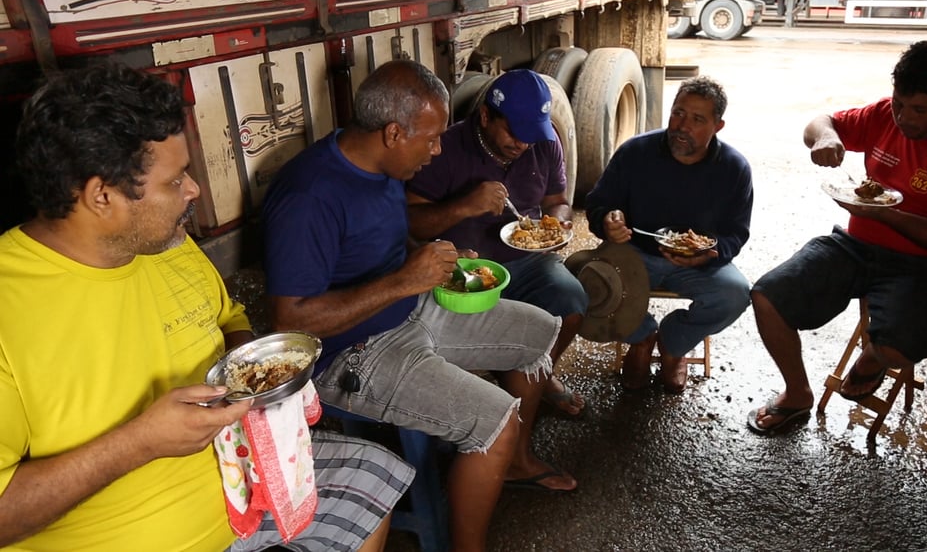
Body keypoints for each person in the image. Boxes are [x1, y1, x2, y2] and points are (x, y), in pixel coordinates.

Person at [0, 63, 415, 552]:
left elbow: (228, 321)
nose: (194, 189)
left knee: (373, 477)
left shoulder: (167, 247)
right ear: (102, 196)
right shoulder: (13, 305)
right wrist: (140, 443)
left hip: (238, 475)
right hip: (132, 533)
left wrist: (256, 374)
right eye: (175, 181)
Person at [261, 59, 578, 552]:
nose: (436, 150)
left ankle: (514, 462)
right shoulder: (310, 195)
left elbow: (390, 242)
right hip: (351, 352)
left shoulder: (385, 166)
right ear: (392, 132)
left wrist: (436, 264)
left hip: (411, 307)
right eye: (430, 139)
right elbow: (291, 322)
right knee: (494, 418)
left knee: (539, 330)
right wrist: (403, 281)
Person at [747, 40, 927, 434]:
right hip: (856, 246)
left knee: (898, 349)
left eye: (919, 110)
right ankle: (797, 393)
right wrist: (826, 137)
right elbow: (821, 121)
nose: (903, 118)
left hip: (926, 265)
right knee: (767, 296)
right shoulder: (885, 113)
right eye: (900, 103)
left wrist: (890, 215)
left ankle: (872, 358)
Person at [406, 69, 588, 417]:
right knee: (442, 330)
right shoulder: (445, 147)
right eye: (514, 132)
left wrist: (559, 222)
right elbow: (411, 221)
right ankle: (507, 384)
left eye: (531, 135)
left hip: (528, 261)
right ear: (486, 115)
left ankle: (540, 374)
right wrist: (464, 206)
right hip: (466, 266)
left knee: (572, 301)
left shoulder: (545, 142)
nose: (523, 144)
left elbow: (557, 200)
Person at [584, 75, 753, 394]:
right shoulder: (636, 152)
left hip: (699, 265)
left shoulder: (734, 169)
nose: (682, 125)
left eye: (697, 119)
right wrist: (607, 220)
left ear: (718, 126)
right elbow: (598, 203)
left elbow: (736, 233)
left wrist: (711, 251)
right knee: (586, 279)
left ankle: (675, 344)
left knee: (735, 294)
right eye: (678, 113)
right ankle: (642, 336)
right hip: (635, 255)